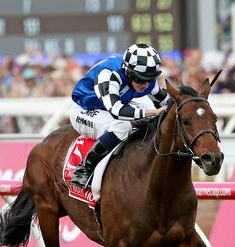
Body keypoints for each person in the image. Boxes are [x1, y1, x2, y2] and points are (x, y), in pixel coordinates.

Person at [69, 43, 169, 188]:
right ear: (128, 72)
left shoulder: (146, 79)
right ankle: (84, 169)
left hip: (113, 104)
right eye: (140, 79)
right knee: (122, 126)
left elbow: (167, 102)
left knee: (150, 113)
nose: (145, 85)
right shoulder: (109, 74)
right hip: (84, 109)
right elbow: (117, 111)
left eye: (150, 79)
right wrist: (151, 112)